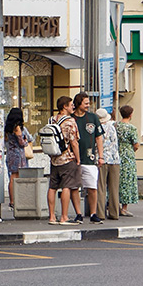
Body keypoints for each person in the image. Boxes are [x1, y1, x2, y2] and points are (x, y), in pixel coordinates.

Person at [47, 96, 81, 225]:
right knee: (66, 186)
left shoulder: (51, 120)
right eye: (71, 104)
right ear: (64, 107)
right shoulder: (70, 122)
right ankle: (64, 217)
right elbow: (74, 142)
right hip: (66, 158)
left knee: (52, 187)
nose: (73, 106)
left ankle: (51, 217)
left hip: (53, 158)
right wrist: (78, 159)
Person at [72, 93, 104, 222]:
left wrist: (100, 156)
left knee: (92, 187)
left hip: (89, 158)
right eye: (85, 103)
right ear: (78, 103)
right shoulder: (71, 119)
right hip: (73, 158)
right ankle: (78, 213)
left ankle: (93, 213)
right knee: (74, 186)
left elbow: (99, 137)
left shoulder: (93, 118)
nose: (88, 105)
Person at [4, 107, 33, 215]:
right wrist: (25, 142)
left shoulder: (7, 128)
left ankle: (12, 201)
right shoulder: (17, 127)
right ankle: (15, 200)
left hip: (10, 154)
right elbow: (21, 142)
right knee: (16, 177)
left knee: (12, 177)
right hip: (18, 154)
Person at [97, 107, 121, 222]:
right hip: (114, 159)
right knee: (114, 188)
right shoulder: (112, 127)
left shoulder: (96, 128)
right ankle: (114, 212)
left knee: (101, 187)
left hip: (101, 159)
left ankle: (100, 213)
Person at [116, 105, 141, 217]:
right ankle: (124, 208)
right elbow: (136, 144)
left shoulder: (115, 126)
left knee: (116, 180)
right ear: (130, 114)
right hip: (128, 155)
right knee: (127, 180)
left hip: (116, 153)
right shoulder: (131, 128)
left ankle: (114, 205)